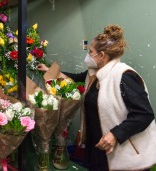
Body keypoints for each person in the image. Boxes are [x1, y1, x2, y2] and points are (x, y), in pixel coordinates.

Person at [37, 24, 156, 171]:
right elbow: (76, 77)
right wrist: (49, 71)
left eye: (90, 52)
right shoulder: (94, 73)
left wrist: (115, 134)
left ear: (101, 55)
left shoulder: (124, 76)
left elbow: (144, 114)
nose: (87, 55)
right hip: (98, 148)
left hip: (123, 153)